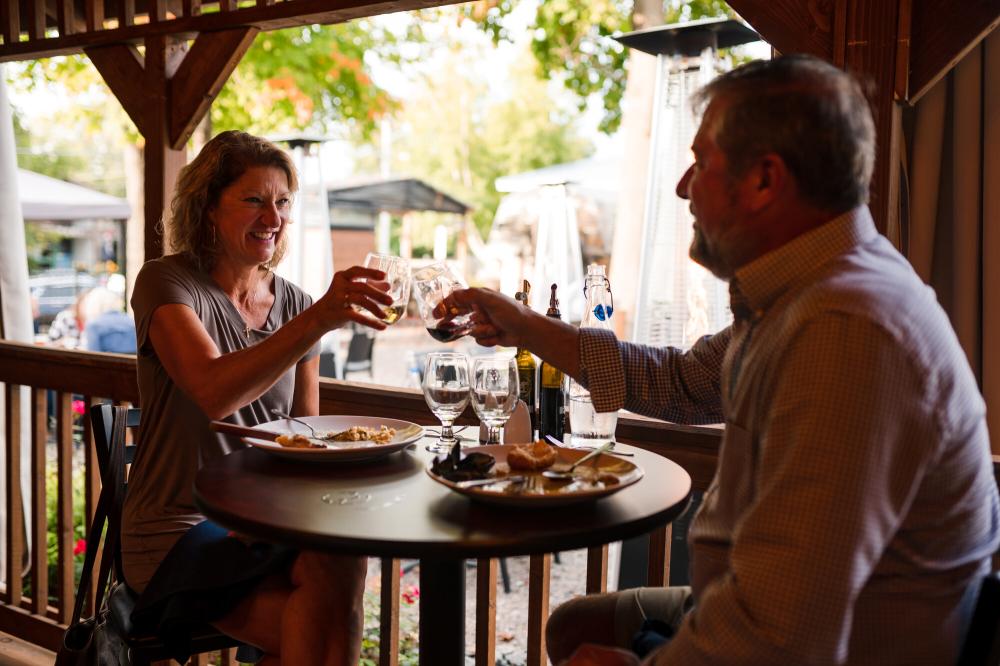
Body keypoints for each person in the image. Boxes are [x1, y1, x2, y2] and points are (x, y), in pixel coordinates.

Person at [438, 55, 1000, 665]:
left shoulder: (847, 331)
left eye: (701, 163)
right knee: (579, 627)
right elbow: (681, 383)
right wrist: (523, 325)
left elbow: (779, 636)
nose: (683, 186)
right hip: (764, 602)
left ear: (764, 181)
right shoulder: (805, 292)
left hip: (851, 643)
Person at [122, 130, 393, 665]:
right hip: (177, 524)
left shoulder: (293, 301)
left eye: (283, 201)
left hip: (265, 521)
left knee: (341, 564)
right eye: (254, 199)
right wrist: (317, 319)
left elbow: (305, 435)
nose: (274, 216)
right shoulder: (165, 282)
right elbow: (213, 390)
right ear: (206, 210)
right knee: (318, 636)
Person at [79, 286, 137, 353]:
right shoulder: (131, 321)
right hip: (133, 362)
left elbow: (93, 355)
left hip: (108, 362)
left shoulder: (93, 325)